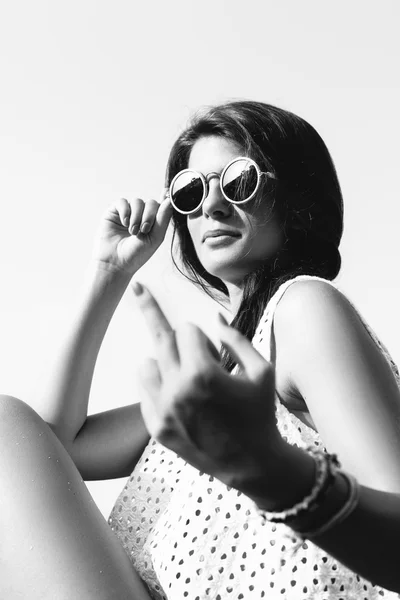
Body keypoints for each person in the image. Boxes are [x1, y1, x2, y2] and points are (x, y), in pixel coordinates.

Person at [1, 100, 400, 599]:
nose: (211, 206)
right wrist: (109, 274)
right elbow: (44, 447)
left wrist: (275, 473)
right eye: (191, 192)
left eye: (238, 180)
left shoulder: (303, 310)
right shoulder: (216, 376)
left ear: (296, 196)